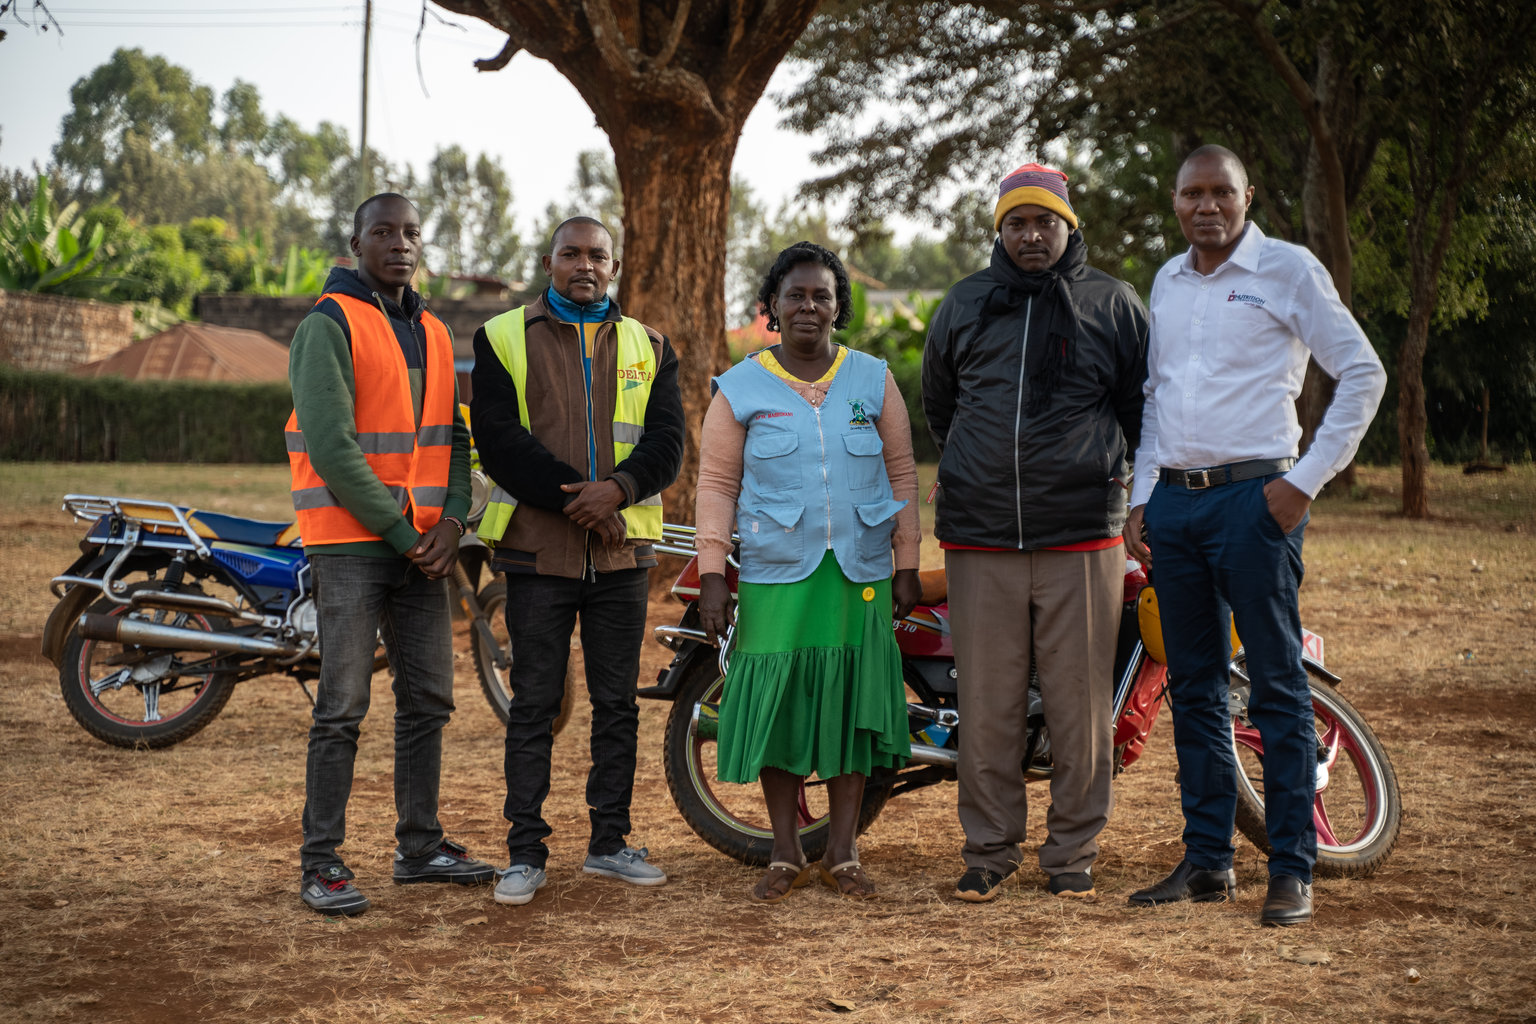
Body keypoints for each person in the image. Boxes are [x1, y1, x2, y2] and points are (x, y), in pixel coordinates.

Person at [1122, 145, 1386, 926]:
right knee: (1194, 688)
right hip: (1175, 508)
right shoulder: (1167, 282)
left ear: (1248, 196)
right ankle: (1207, 861)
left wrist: (1302, 482)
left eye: (1221, 192)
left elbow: (1362, 372)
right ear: (1174, 201)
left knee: (1275, 686)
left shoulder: (1290, 270)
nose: (1207, 206)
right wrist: (1142, 500)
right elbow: (1155, 398)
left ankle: (1291, 869)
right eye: (1192, 193)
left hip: (1256, 502)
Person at [921, 163, 1150, 903]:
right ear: (999, 230)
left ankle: (1072, 854)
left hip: (1082, 532)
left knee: (1078, 702)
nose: (1030, 235)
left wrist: (1129, 493)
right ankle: (989, 851)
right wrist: (977, 469)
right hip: (981, 535)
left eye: (1044, 221)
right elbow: (942, 404)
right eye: (1016, 223)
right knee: (986, 703)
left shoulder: (1112, 303)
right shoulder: (966, 304)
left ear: (1068, 225)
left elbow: (1142, 410)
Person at [286, 192, 494, 916]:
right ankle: (321, 862)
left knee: (429, 698)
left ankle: (420, 846)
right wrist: (407, 534)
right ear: (356, 243)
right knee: (342, 704)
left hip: (424, 549)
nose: (399, 243)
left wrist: (456, 523)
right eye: (383, 231)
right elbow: (335, 449)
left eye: (410, 232)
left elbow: (455, 439)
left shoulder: (435, 331)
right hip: (351, 544)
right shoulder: (328, 323)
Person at [695, 241, 921, 901]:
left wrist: (906, 560)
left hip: (858, 573)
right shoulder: (740, 387)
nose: (808, 306)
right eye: (795, 294)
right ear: (772, 307)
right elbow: (715, 483)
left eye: (821, 295)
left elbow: (901, 472)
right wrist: (713, 572)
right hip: (774, 573)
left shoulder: (872, 379)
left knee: (852, 705)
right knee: (781, 705)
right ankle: (786, 852)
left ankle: (844, 853)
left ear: (837, 307)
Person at [470, 216, 685, 906]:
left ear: (614, 267)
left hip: (622, 559)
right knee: (534, 704)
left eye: (597, 255)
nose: (584, 265)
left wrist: (617, 492)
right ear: (548, 261)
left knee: (616, 705)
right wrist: (580, 500)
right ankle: (525, 855)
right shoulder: (502, 336)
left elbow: (668, 441)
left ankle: (608, 845)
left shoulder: (649, 345)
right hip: (538, 553)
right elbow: (499, 441)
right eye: (571, 254)